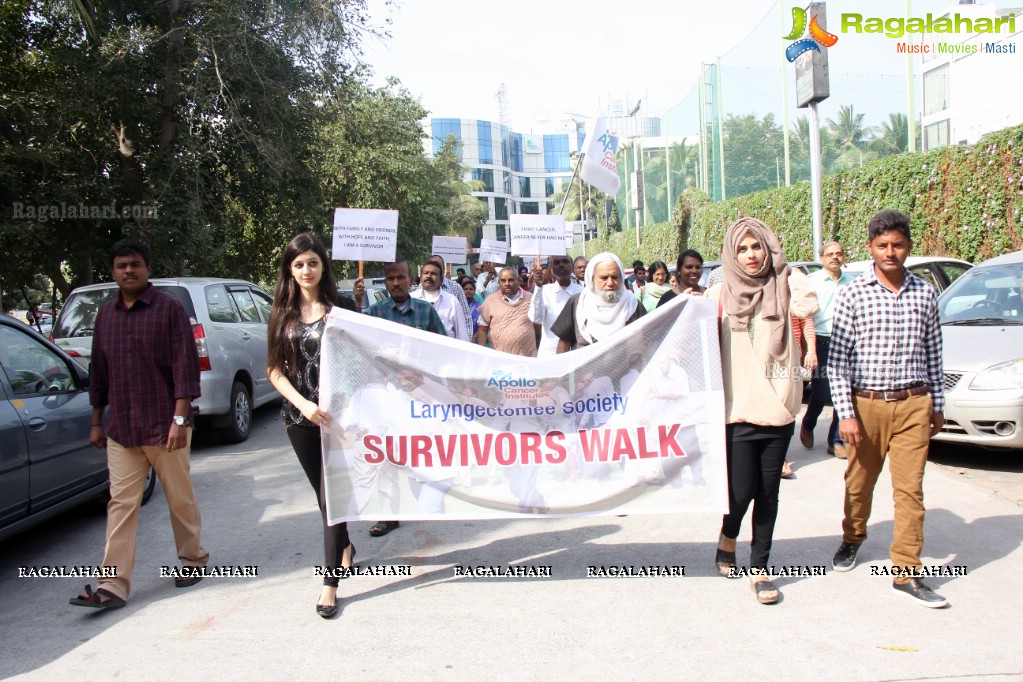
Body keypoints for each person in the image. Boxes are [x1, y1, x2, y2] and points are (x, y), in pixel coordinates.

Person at [70, 239, 208, 611]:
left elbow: (185, 367)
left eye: (134, 264)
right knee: (121, 504)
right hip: (122, 429)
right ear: (113, 272)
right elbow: (99, 371)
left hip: (166, 427)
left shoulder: (169, 310)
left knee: (179, 497)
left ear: (147, 268)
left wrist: (180, 419)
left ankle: (193, 559)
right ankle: (112, 585)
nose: (128, 270)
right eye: (120, 265)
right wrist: (97, 420)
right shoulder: (106, 315)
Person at [828, 209, 948, 608]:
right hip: (867, 406)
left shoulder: (925, 293)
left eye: (898, 245)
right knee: (859, 484)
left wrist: (937, 405)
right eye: (883, 246)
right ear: (871, 249)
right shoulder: (853, 294)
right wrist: (845, 413)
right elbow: (839, 360)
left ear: (909, 247)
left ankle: (906, 571)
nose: (890, 252)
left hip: (914, 404)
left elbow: (934, 352)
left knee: (910, 491)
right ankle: (852, 537)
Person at [706, 217, 817, 605]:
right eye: (742, 248)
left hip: (778, 406)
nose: (751, 255)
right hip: (735, 410)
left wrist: (790, 273)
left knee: (768, 492)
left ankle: (760, 569)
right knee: (740, 492)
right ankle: (728, 536)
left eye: (758, 246)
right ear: (730, 254)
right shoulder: (717, 295)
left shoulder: (785, 285)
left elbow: (809, 305)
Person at [265, 233, 356, 619]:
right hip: (298, 420)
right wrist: (302, 403)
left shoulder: (343, 308)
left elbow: (361, 358)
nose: (306, 270)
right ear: (290, 268)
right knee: (324, 495)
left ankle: (329, 584)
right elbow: (273, 370)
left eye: (313, 263)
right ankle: (345, 545)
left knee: (329, 499)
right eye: (299, 264)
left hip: (340, 421)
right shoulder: (281, 313)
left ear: (324, 266)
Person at [366, 259, 448, 537]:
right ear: (385, 281)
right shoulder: (374, 313)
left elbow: (443, 351)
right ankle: (389, 515)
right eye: (390, 279)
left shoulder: (426, 312)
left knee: (422, 449)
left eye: (401, 277)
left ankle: (430, 501)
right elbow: (364, 351)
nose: (396, 283)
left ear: (409, 279)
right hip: (388, 393)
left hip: (421, 396)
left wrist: (430, 383)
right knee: (387, 454)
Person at [799, 240, 856, 460]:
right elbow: (804, 316)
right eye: (830, 254)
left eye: (839, 253)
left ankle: (835, 441)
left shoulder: (852, 284)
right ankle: (809, 421)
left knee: (844, 393)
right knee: (822, 391)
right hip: (821, 342)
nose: (835, 257)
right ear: (822, 258)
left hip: (846, 341)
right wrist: (808, 348)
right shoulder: (811, 282)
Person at [551, 252, 646, 353]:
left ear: (621, 277)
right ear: (592, 279)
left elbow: (646, 340)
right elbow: (564, 344)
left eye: (614, 277)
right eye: (604, 278)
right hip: (584, 368)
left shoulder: (633, 305)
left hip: (626, 368)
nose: (610, 283)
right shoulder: (577, 303)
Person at [527, 254, 583, 357]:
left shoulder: (582, 292)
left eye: (565, 262)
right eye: (557, 263)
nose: (561, 265)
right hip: (549, 355)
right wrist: (538, 288)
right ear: (551, 269)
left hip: (576, 354)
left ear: (572, 267)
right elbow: (536, 319)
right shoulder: (544, 291)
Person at [476, 267, 537, 356]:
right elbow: (482, 329)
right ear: (498, 282)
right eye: (503, 281)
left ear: (518, 280)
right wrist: (482, 353)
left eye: (511, 280)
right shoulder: (490, 301)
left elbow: (538, 326)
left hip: (527, 358)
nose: (507, 284)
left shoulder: (531, 299)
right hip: (499, 359)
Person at [411, 254, 473, 336]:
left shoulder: (452, 299)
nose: (429, 276)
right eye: (426, 273)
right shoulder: (411, 298)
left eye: (433, 273)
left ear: (441, 275)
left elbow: (465, 320)